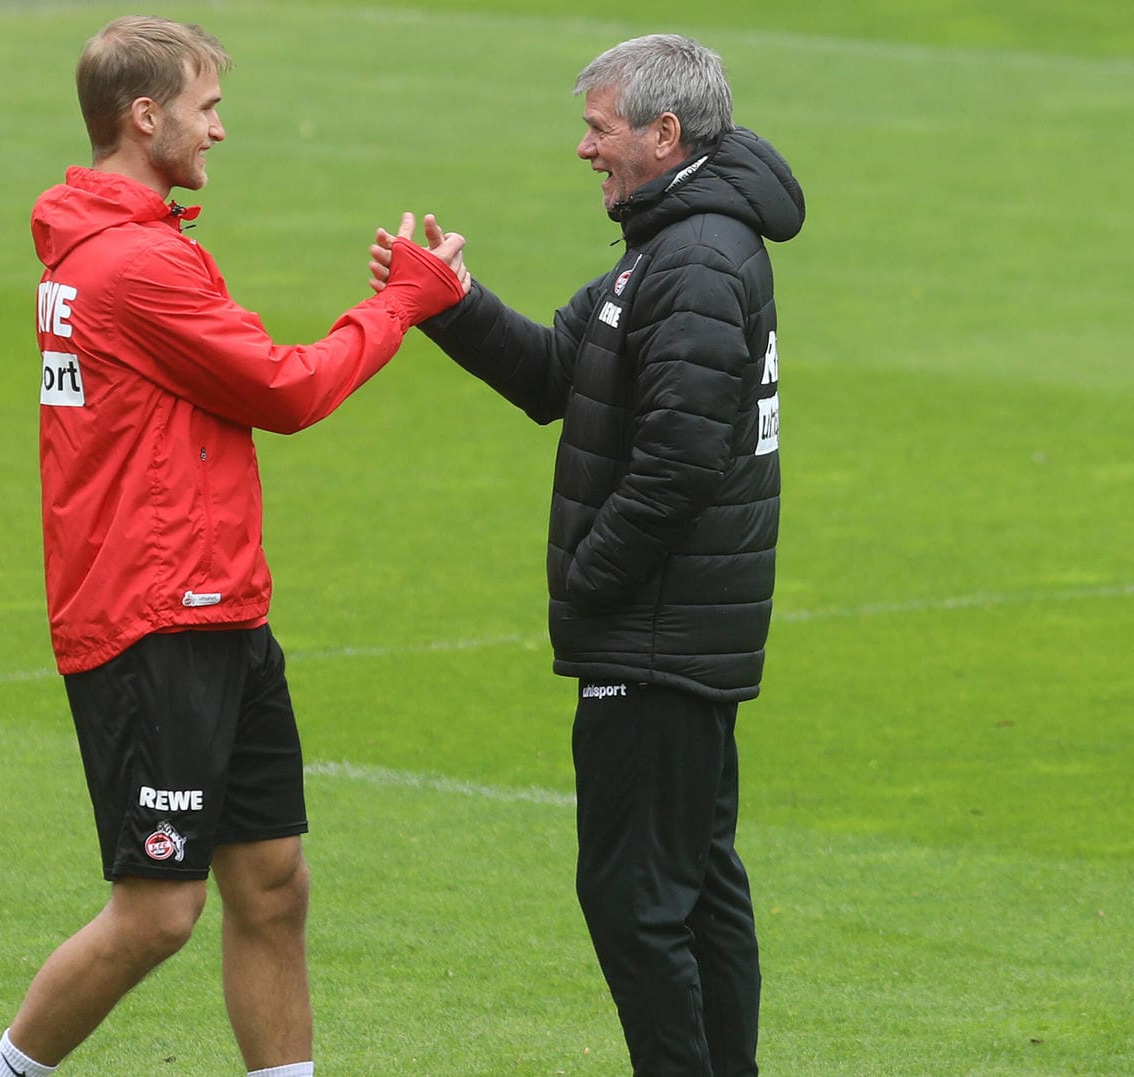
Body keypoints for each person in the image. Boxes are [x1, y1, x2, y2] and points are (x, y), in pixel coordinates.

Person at [0, 15, 468, 1077]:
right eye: (207, 108)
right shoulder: (136, 266)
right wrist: (402, 305)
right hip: (154, 616)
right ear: (144, 116)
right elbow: (287, 391)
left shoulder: (112, 246)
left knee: (273, 883)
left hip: (217, 604)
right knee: (157, 914)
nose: (221, 130)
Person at [370, 33, 804, 1077]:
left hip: (657, 633)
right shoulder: (673, 242)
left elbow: (678, 466)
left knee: (636, 897)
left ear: (665, 134)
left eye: (599, 127)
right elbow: (559, 371)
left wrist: (590, 581)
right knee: (693, 882)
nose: (584, 149)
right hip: (674, 629)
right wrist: (451, 304)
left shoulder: (695, 259)